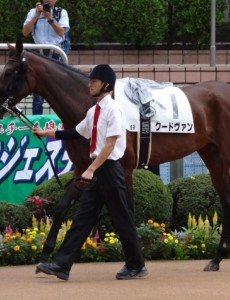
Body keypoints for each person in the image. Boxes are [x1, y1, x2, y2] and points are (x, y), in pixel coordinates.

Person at [33, 64, 147, 281]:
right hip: (98, 171)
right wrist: (44, 133)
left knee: (122, 218)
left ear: (105, 84)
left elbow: (111, 145)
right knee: (83, 218)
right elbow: (74, 132)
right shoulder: (93, 111)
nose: (89, 84)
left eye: (93, 81)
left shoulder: (114, 109)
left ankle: (136, 265)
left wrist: (90, 169)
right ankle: (61, 265)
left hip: (110, 170)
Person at [22, 0, 70, 115]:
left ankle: (61, 120)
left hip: (56, 54)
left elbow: (61, 32)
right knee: (38, 93)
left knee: (59, 91)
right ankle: (36, 122)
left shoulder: (60, 12)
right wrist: (36, 16)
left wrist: (50, 18)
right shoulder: (33, 12)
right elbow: (25, 32)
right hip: (39, 55)